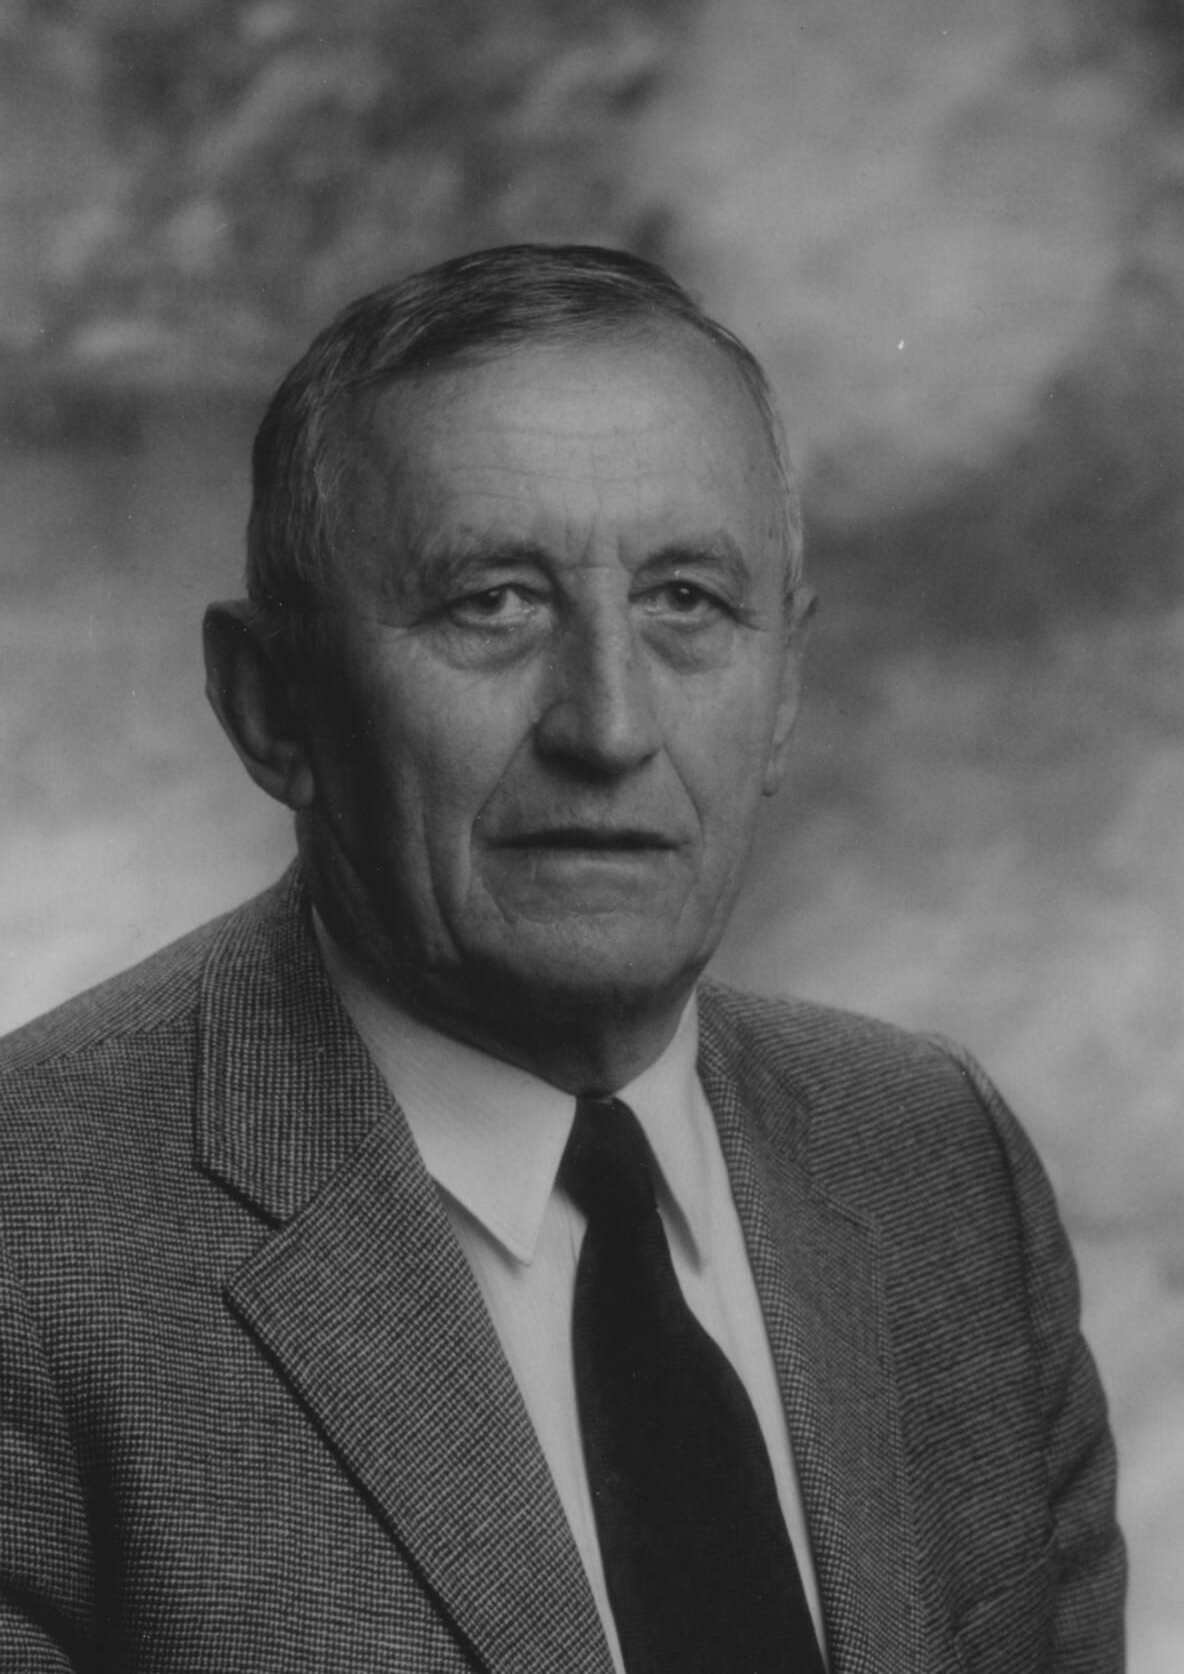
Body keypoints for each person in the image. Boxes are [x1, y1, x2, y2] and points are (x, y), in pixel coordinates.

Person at [0, 244, 1124, 1673]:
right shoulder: (30, 1234)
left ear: (785, 688)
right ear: (272, 705)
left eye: (686, 602)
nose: (609, 725)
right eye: (494, 602)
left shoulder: (937, 1164)